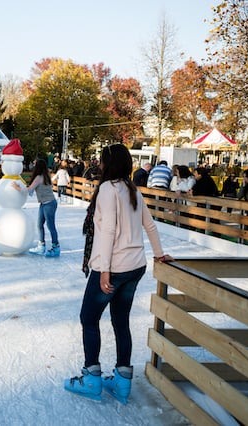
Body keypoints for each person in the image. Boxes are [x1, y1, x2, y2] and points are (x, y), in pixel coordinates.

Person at [65, 143, 172, 404]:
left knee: (88, 319)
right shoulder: (132, 189)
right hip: (135, 266)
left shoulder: (107, 190)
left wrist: (104, 271)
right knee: (120, 320)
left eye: (102, 160)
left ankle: (92, 378)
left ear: (108, 164)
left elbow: (109, 231)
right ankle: (122, 382)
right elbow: (150, 225)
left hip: (113, 267)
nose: (99, 165)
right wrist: (158, 253)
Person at [23, 159, 60, 257]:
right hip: (44, 204)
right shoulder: (45, 176)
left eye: (35, 165)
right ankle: (41, 246)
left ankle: (56, 247)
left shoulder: (39, 177)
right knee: (40, 224)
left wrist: (17, 188)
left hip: (49, 204)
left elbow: (29, 189)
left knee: (50, 226)